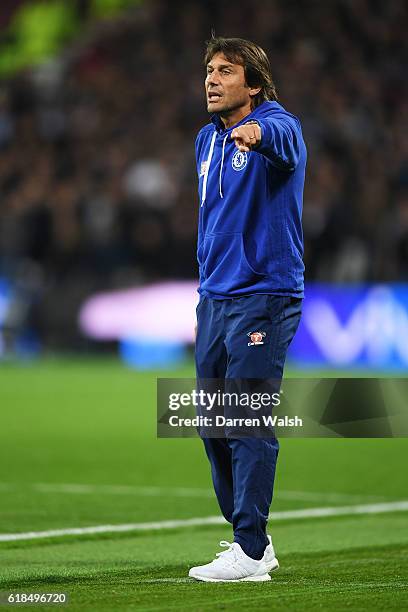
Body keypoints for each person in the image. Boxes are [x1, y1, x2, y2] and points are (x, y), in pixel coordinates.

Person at [189, 37, 306, 582]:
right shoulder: (204, 142)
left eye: (226, 71)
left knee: (246, 418)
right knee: (212, 423)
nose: (212, 79)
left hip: (263, 293)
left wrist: (257, 131)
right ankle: (252, 538)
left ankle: (250, 550)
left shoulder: (278, 126)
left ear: (253, 84)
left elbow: (280, 136)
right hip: (214, 297)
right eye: (210, 70)